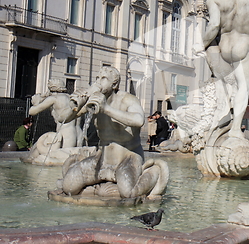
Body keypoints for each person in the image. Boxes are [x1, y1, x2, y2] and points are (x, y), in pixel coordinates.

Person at [62, 66, 163, 198]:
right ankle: (104, 178)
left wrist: (106, 109)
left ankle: (153, 172)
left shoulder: (127, 99)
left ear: (114, 84)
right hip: (102, 160)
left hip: (127, 158)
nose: (98, 82)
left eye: (103, 78)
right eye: (97, 78)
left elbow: (139, 120)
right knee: (68, 186)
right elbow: (63, 118)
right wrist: (74, 106)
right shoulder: (94, 101)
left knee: (128, 192)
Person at [193, 0, 249, 139]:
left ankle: (216, 121)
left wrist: (200, 45)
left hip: (223, 47)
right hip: (242, 46)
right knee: (243, 88)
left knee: (220, 85)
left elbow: (214, 26)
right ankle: (236, 128)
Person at [29, 79, 82, 147]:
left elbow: (32, 111)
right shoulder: (71, 98)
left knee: (59, 154)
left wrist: (36, 102)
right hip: (79, 134)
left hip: (66, 133)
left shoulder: (54, 98)